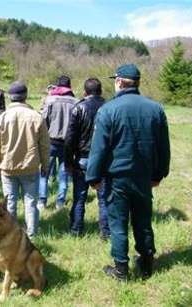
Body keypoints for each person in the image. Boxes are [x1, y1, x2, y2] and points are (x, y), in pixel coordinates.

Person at [86, 64, 171, 281]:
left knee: (118, 222)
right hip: (143, 177)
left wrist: (93, 177)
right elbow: (163, 147)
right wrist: (158, 174)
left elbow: (99, 148)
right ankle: (147, 263)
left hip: (117, 178)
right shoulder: (156, 108)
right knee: (143, 220)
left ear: (120, 82)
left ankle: (121, 270)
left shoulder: (108, 110)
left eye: (115, 80)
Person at [0, 81, 49, 238]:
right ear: (26, 96)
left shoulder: (2, 118)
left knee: (10, 203)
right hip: (30, 166)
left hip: (7, 167)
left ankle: (11, 233)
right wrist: (45, 165)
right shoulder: (36, 117)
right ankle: (32, 234)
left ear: (10, 97)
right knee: (31, 203)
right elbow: (44, 146)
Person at [64, 78, 108, 237]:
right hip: (103, 160)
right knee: (104, 200)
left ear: (85, 91)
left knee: (79, 198)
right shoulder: (109, 107)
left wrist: (68, 162)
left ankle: (76, 230)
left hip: (82, 159)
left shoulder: (78, 108)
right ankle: (106, 233)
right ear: (100, 90)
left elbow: (70, 138)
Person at [39, 75, 77, 210]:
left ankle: (42, 201)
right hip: (67, 144)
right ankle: (60, 202)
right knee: (64, 175)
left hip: (50, 142)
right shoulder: (75, 102)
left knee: (44, 173)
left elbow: (42, 121)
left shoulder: (50, 100)